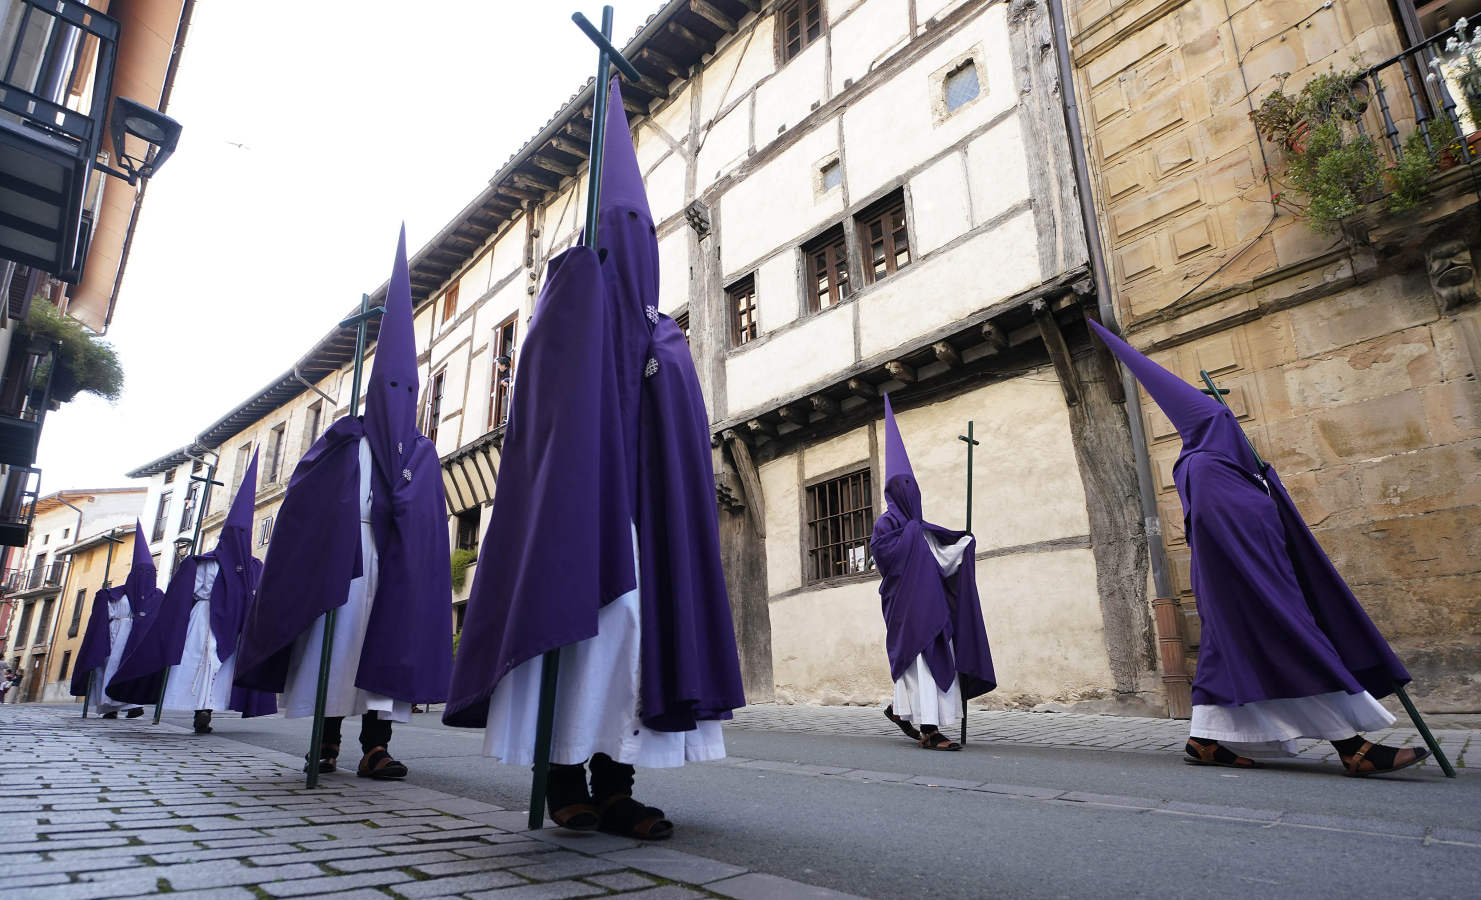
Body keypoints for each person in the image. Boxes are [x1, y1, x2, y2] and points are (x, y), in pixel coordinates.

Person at [444, 78, 745, 840]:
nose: (631, 242)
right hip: (578, 513)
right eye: (620, 230)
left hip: (646, 524)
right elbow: (543, 413)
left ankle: (616, 783)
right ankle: (561, 779)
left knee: (634, 645)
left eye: (642, 230)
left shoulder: (666, 334)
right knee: (575, 638)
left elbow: (680, 430)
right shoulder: (567, 302)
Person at [1089, 320, 1429, 777]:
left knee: (1227, 662)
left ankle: (1206, 741)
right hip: (1248, 583)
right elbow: (1221, 525)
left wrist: (1265, 485)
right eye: (1225, 423)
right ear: (1215, 427)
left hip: (1253, 580)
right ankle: (1354, 748)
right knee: (1298, 651)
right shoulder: (1205, 465)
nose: (1232, 428)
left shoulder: (1229, 466)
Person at [235, 228, 451, 780]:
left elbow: (430, 521)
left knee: (381, 658)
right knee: (337, 658)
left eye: (411, 391)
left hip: (393, 565)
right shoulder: (341, 441)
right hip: (344, 562)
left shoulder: (422, 452)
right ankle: (325, 742)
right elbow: (304, 502)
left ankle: (375, 748)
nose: (400, 399)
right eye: (392, 388)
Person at [106, 450, 276, 732]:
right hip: (204, 618)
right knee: (203, 659)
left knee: (216, 664)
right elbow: (185, 596)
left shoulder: (251, 566)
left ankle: (206, 708)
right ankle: (201, 708)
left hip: (233, 622)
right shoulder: (206, 564)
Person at [873, 395, 997, 751]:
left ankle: (903, 712)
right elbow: (885, 558)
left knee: (934, 664)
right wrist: (915, 536)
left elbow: (942, 561)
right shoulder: (888, 525)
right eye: (902, 488)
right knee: (919, 668)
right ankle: (929, 731)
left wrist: (963, 545)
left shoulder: (920, 528)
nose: (908, 493)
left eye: (912, 487)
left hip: (932, 608)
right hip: (906, 612)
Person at [70, 522, 159, 719]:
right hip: (115, 635)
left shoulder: (156, 597)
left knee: (132, 667)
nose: (147, 578)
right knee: (110, 666)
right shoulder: (113, 596)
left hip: (138, 639)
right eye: (142, 574)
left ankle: (132, 705)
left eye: (151, 574)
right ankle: (109, 706)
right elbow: (101, 619)